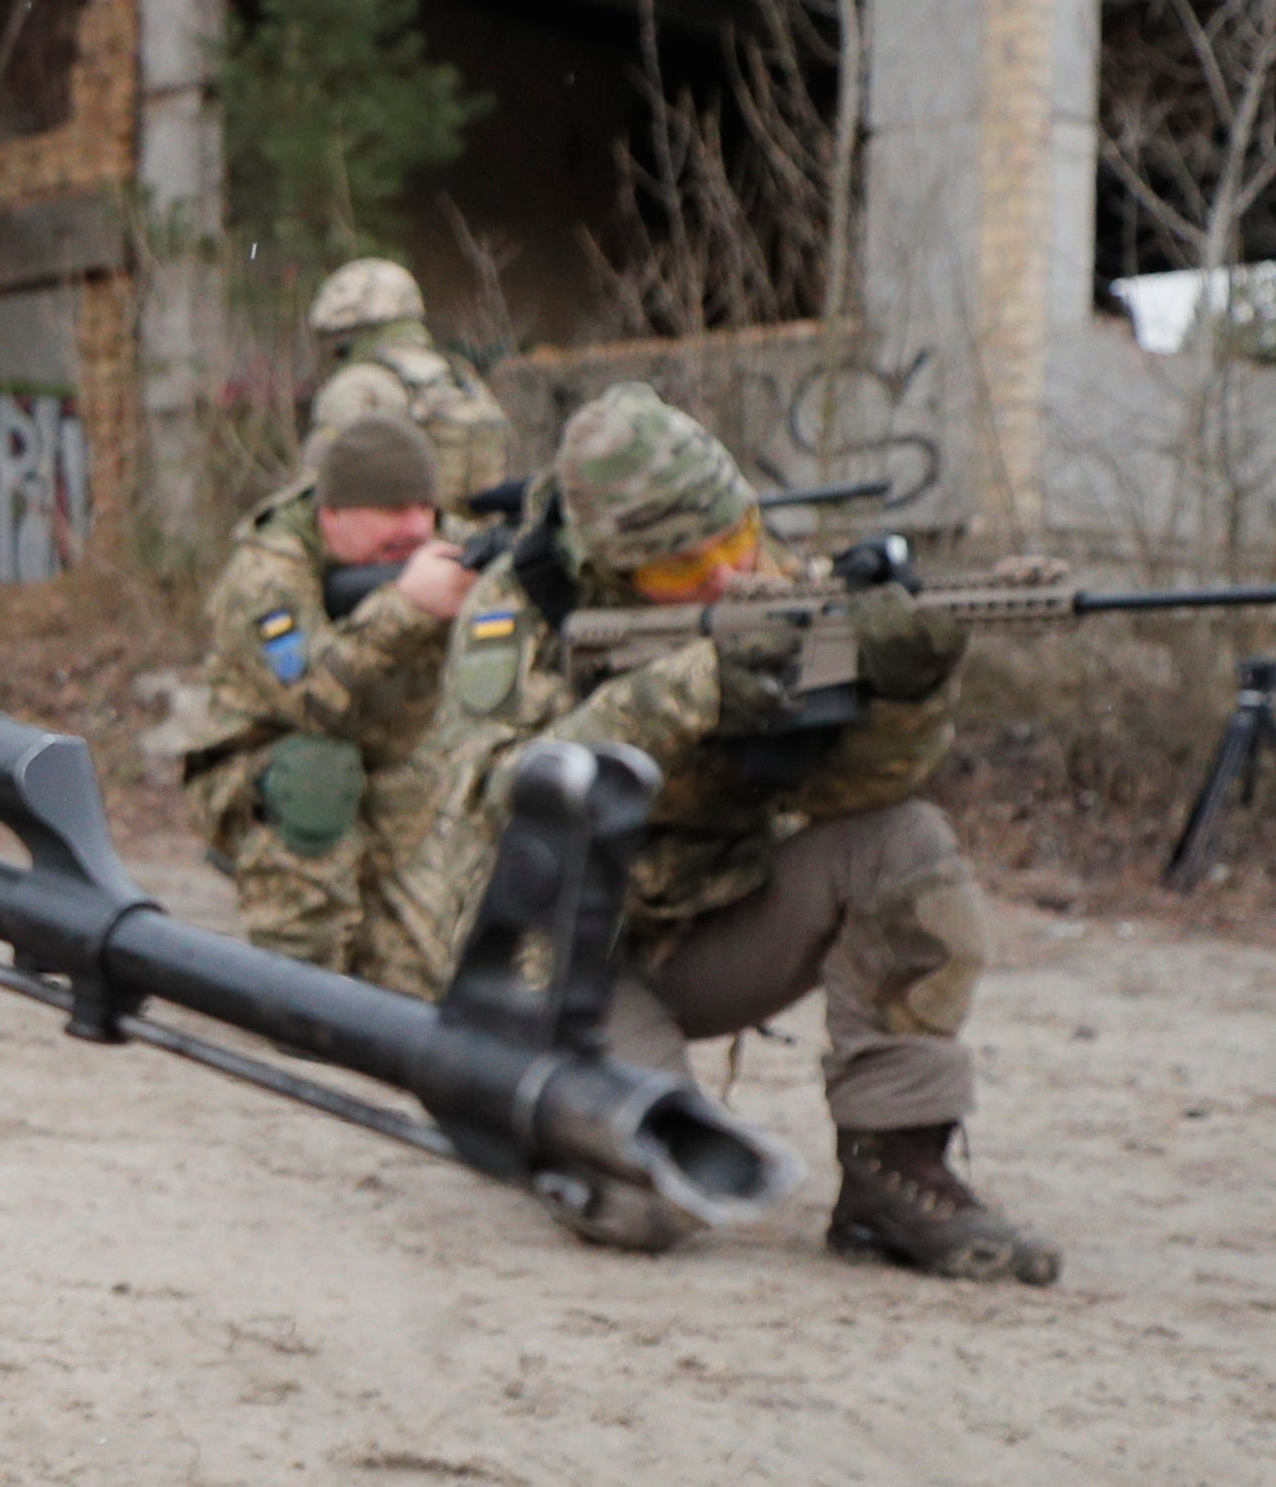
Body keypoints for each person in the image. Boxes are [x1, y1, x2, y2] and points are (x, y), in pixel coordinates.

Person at [388, 383, 1056, 1281]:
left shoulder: (778, 583)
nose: (723, 579)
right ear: (608, 567)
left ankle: (893, 1170)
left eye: (735, 542)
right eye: (677, 573)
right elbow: (494, 792)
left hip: (712, 924)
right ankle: (542, 1123)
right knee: (656, 1199)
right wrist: (688, 691)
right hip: (565, 960)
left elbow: (857, 791)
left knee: (902, 843)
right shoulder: (516, 613)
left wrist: (907, 692)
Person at [175, 413, 472, 978]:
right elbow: (313, 703)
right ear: (331, 514)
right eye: (392, 510)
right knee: (317, 773)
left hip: (399, 772)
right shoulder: (266, 573)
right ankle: (294, 980)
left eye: (424, 507)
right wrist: (404, 610)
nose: (416, 528)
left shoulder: (450, 546)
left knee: (417, 988)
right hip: (267, 778)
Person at [301, 257, 516, 505]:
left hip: (394, 526)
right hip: (477, 528)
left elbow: (320, 486)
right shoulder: (458, 375)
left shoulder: (357, 384)